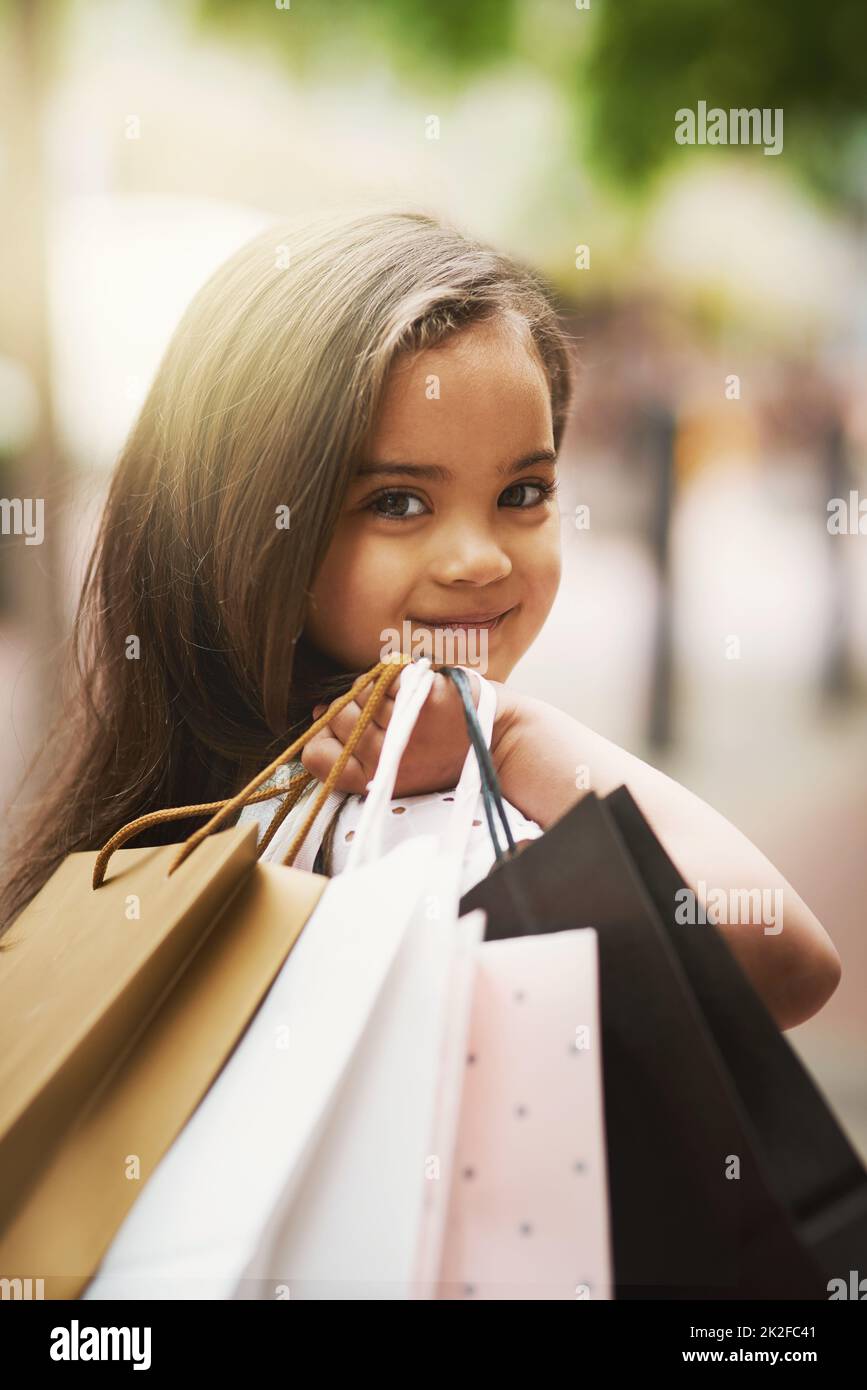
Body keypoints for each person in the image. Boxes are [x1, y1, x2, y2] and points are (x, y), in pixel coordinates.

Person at [0, 206, 840, 1031]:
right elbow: (787, 962)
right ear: (245, 529)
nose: (479, 558)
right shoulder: (434, 829)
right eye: (397, 502)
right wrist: (508, 735)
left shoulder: (145, 847)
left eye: (523, 493)